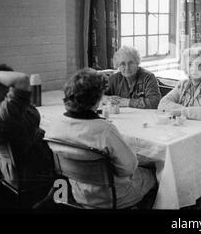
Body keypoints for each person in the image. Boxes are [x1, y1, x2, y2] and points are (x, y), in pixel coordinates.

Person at [45, 68, 157, 209]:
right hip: (113, 197)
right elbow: (128, 168)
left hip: (78, 192)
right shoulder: (104, 130)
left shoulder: (55, 126)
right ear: (97, 100)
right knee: (157, 173)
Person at [0, 64, 55, 196]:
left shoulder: (8, 111)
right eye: (6, 85)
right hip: (32, 173)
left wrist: (37, 133)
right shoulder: (1, 115)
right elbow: (21, 80)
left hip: (25, 169)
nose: (10, 88)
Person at [158, 46, 201, 122]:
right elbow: (163, 104)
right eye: (190, 64)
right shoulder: (183, 85)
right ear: (185, 67)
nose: (195, 69)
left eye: (199, 65)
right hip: (188, 128)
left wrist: (183, 112)